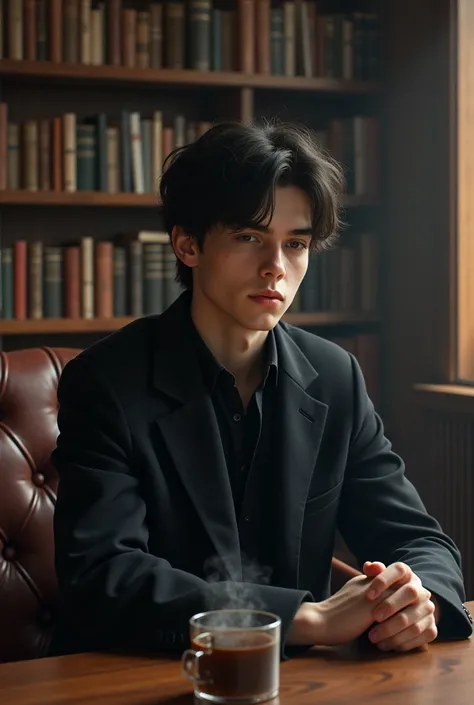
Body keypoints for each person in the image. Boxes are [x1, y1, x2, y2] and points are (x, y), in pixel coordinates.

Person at [50, 120, 472, 660]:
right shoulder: (106, 382)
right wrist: (304, 617)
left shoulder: (335, 376)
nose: (276, 267)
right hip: (143, 673)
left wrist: (416, 601)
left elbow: (422, 542)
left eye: (295, 244)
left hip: (300, 684)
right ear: (187, 245)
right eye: (249, 237)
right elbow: (107, 577)